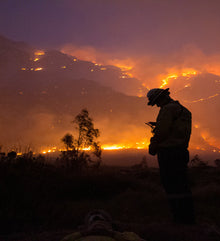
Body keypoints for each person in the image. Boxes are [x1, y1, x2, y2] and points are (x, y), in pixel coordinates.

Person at [146, 88, 195, 224]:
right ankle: (188, 218)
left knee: (171, 185)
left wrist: (153, 145)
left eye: (156, 102)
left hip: (168, 153)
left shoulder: (167, 110)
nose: (156, 105)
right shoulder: (183, 110)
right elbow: (176, 129)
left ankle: (178, 218)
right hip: (181, 151)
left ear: (161, 98)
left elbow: (162, 132)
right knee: (182, 184)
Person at [61, 209, 145, 241]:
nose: (98, 222)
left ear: (110, 225)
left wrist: (113, 234)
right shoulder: (77, 237)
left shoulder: (126, 235)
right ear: (86, 226)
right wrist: (83, 233)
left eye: (102, 221)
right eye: (94, 221)